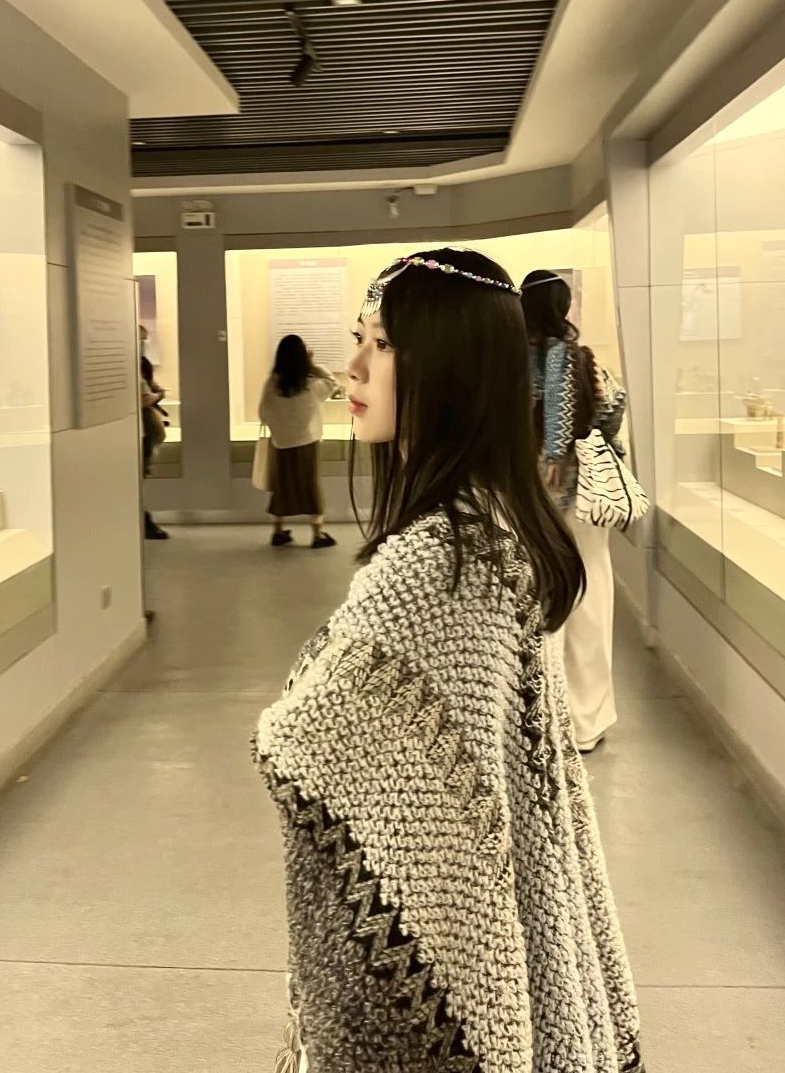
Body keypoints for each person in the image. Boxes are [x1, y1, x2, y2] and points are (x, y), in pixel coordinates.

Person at [254, 250, 644, 1073]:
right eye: (357, 340)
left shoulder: (438, 559)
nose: (355, 369)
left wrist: (296, 707)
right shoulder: (492, 517)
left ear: (450, 364)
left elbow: (308, 742)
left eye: (383, 345)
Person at [521, 269, 626, 754]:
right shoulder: (582, 359)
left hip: (527, 496)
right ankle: (586, 719)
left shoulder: (510, 363)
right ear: (563, 308)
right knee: (590, 596)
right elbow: (612, 410)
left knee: (538, 600)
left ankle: (542, 716)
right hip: (582, 497)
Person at [259, 334, 338, 549]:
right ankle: (317, 534)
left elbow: (263, 412)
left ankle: (277, 531)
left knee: (281, 487)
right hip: (307, 443)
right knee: (310, 487)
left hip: (280, 443)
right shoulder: (310, 385)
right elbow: (332, 383)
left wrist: (280, 430)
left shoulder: (272, 383)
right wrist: (312, 365)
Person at [138, 327, 169, 541]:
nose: (143, 344)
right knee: (139, 476)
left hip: (147, 431)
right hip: (141, 431)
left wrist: (156, 395)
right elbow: (146, 397)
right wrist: (156, 396)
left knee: (142, 474)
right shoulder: (135, 366)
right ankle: (143, 519)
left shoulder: (142, 365)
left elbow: (153, 389)